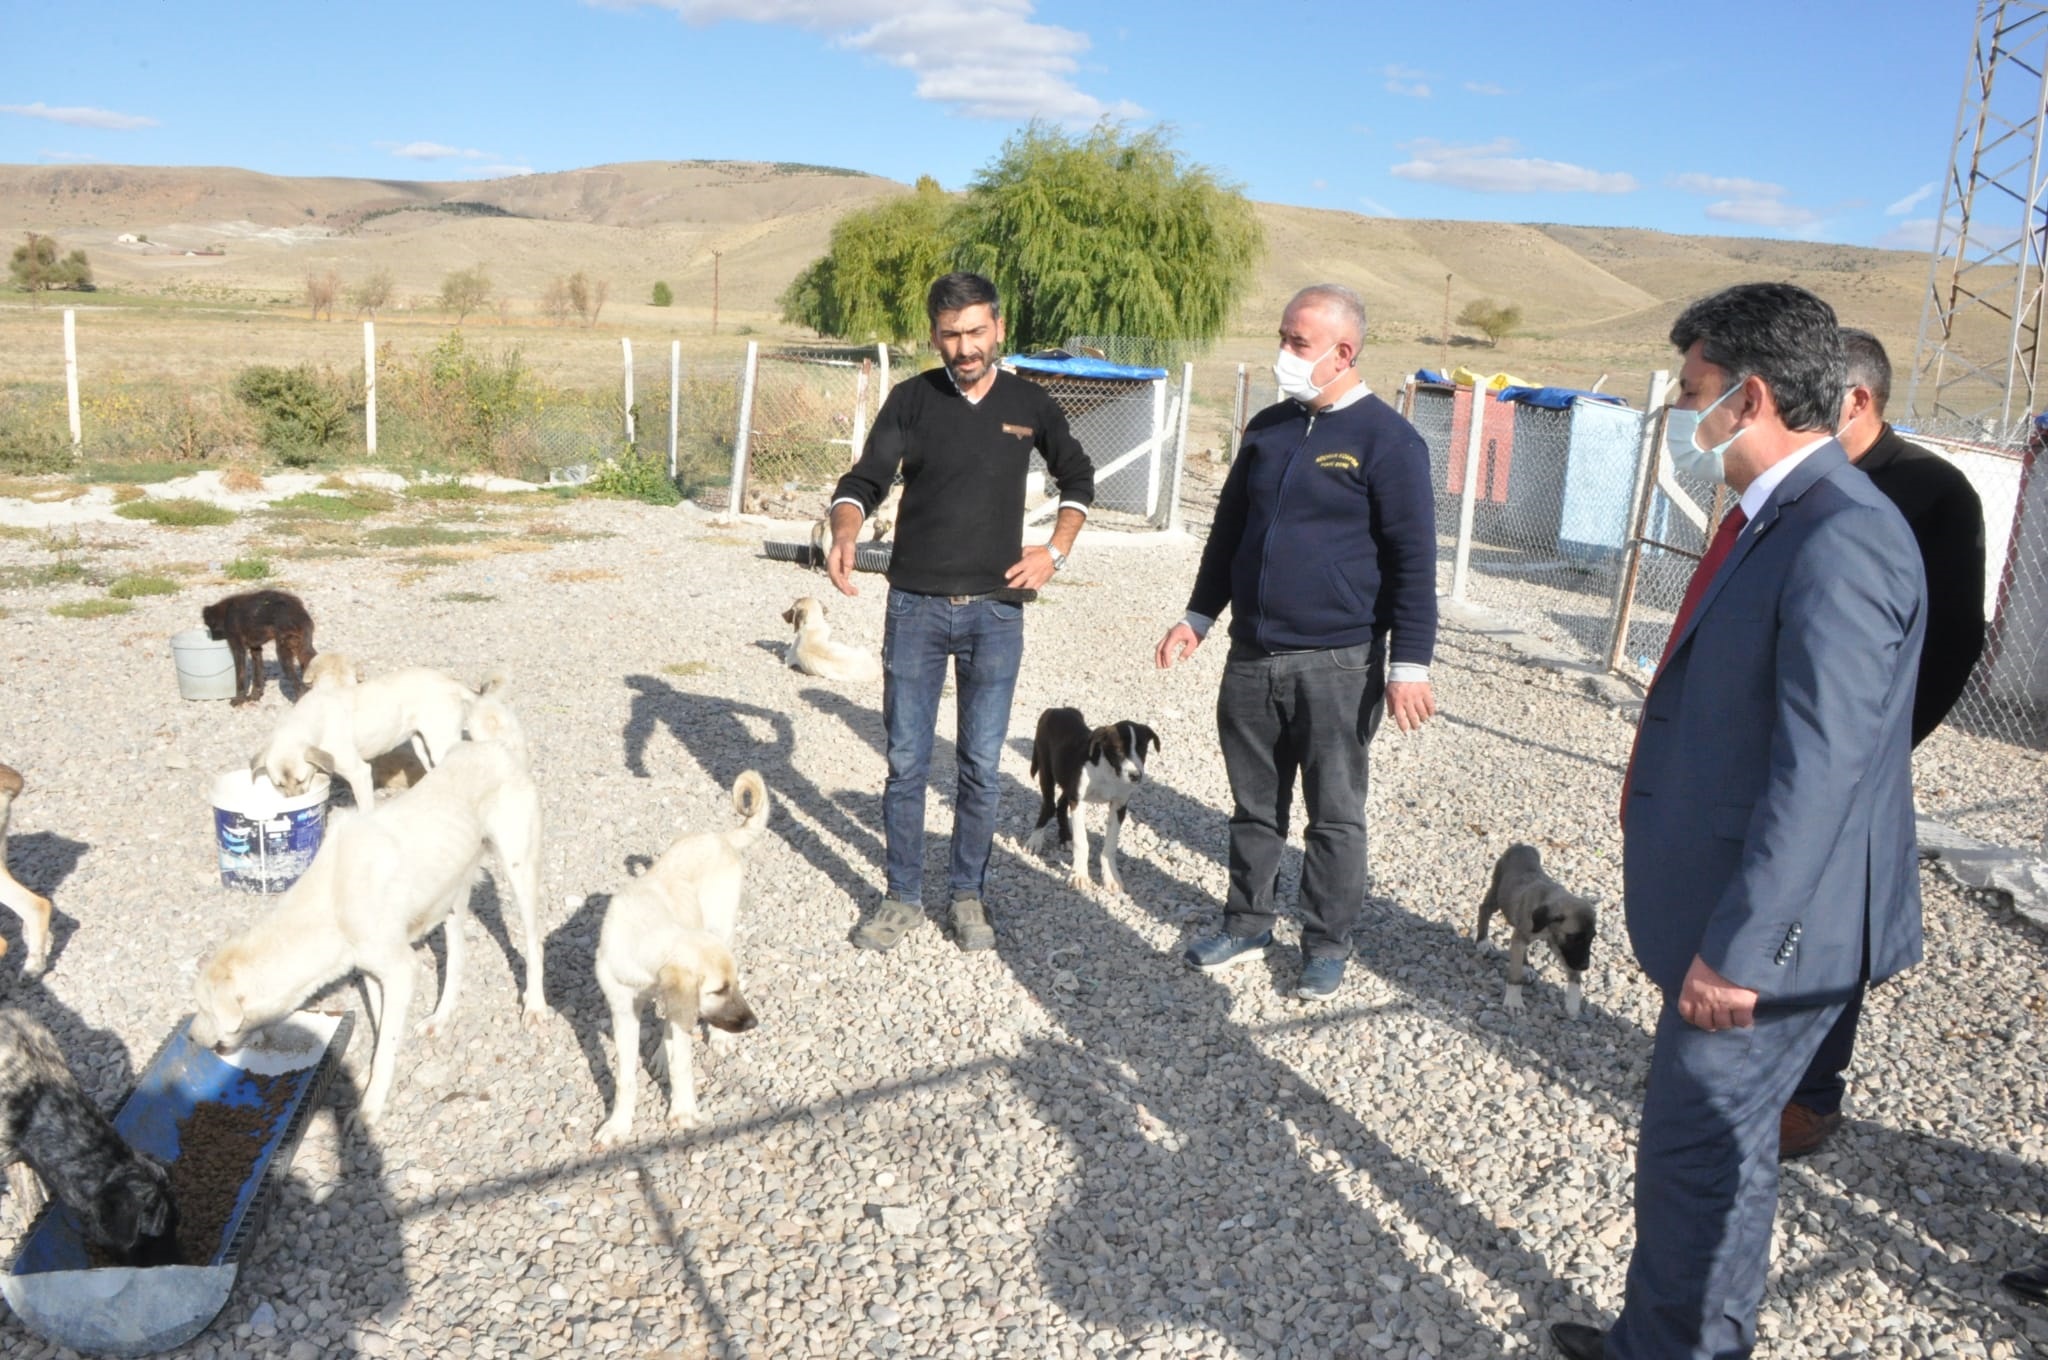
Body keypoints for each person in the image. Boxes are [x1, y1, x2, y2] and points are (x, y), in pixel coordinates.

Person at [1549, 283, 1926, 1360]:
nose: (1683, 411)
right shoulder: (1781, 517)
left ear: (1749, 396)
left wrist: (1743, 949)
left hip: (1769, 939)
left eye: (1692, 390)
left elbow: (1823, 771)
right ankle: (1686, 1336)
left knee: (1694, 1150)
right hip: (1735, 911)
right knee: (1721, 1152)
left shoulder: (1842, 535)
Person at [1155, 283, 1437, 1002]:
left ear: (1343, 352)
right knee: (1254, 807)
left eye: (1297, 342)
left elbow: (1413, 562)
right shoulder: (1269, 428)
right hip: (1252, 655)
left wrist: (1409, 664)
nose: (1282, 352)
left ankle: (1326, 943)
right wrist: (1198, 616)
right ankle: (1247, 924)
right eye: (1282, 337)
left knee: (1334, 815)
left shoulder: (1389, 441)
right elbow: (1229, 532)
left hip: (1339, 663)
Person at [826, 271, 1093, 954]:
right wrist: (846, 530)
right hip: (914, 610)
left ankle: (968, 894)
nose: (965, 347)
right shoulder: (911, 400)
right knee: (906, 762)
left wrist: (1054, 553)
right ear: (934, 335)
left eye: (976, 331)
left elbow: (1078, 476)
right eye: (951, 335)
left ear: (998, 328)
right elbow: (863, 480)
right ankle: (902, 897)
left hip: (996, 615)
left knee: (979, 764)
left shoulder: (1029, 402)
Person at [1776, 327, 1989, 1159]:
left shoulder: (1934, 492)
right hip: (1780, 739)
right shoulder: (1801, 476)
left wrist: (1881, 745)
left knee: (1834, 919)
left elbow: (1952, 641)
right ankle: (1751, 1065)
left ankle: (1812, 1093)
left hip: (1856, 752)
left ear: (1857, 399)